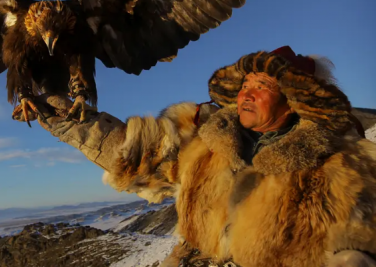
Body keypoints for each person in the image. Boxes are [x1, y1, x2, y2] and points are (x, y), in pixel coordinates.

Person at [21, 46, 376, 267]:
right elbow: (133, 154)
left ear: (296, 98)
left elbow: (356, 240)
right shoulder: (206, 139)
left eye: (262, 86)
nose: (245, 95)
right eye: (244, 86)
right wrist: (63, 119)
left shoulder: (339, 165)